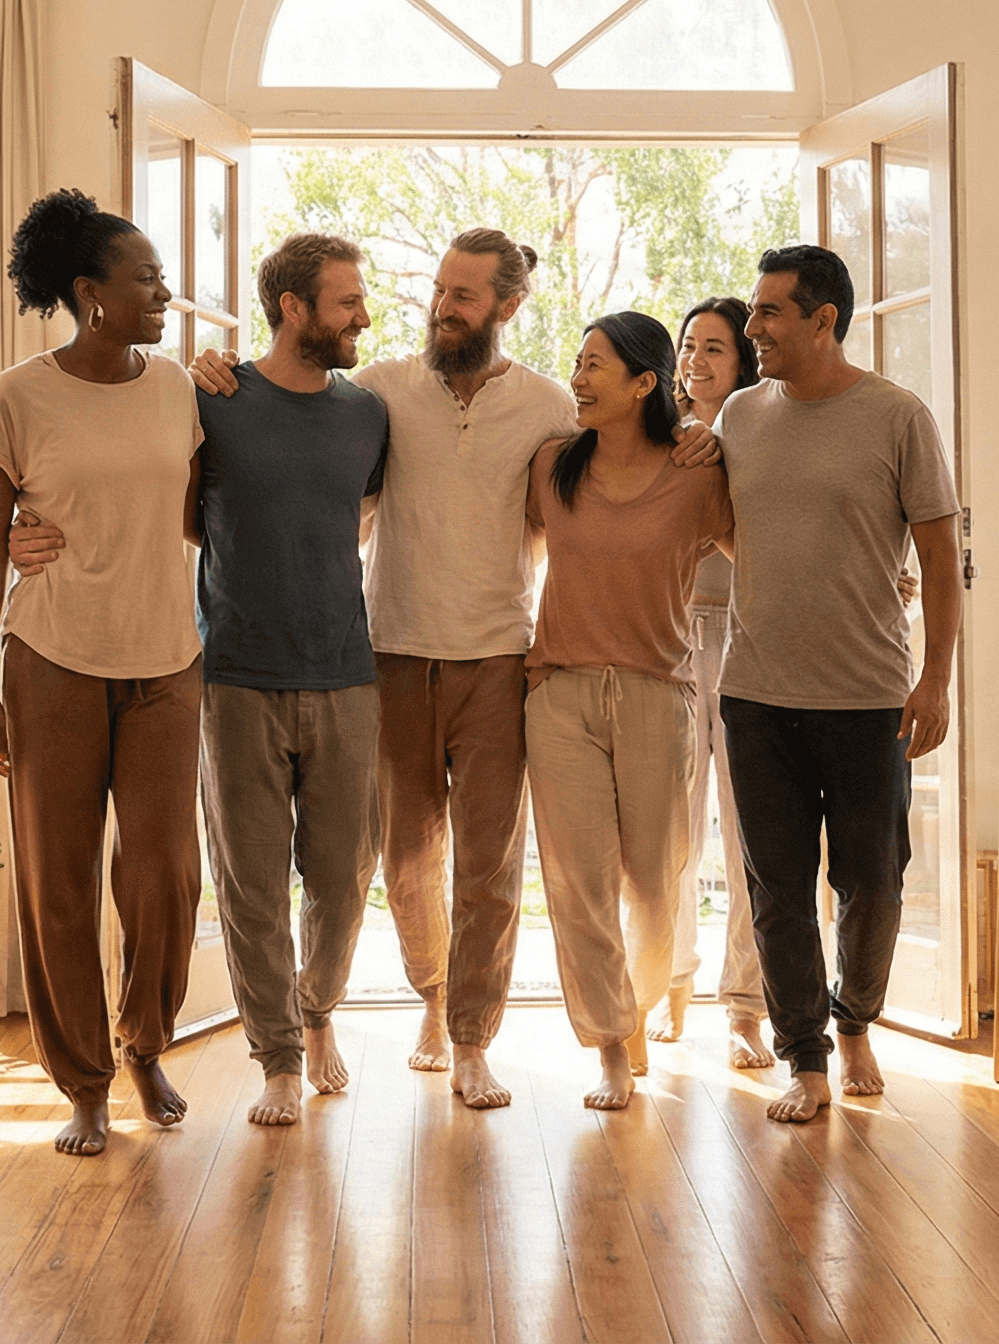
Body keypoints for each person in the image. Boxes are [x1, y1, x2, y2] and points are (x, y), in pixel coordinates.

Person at [193, 230, 577, 1111]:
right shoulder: (378, 393)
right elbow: (286, 430)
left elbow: (601, 493)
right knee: (400, 864)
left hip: (497, 656)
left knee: (488, 865)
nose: (442, 306)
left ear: (507, 307)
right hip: (389, 655)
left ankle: (472, 1039)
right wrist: (210, 368)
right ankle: (430, 999)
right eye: (440, 289)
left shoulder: (549, 405)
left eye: (465, 296)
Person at [0, 188, 202, 1158]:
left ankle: (146, 1041)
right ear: (89, 293)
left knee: (163, 875)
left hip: (167, 662)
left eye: (161, 278)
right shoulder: (16, 397)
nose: (166, 293)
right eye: (146, 279)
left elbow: (195, 514)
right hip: (51, 662)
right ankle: (85, 1083)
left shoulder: (181, 385)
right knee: (57, 882)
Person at [718, 244, 961, 1124]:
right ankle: (806, 1057)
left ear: (824, 320)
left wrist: (935, 680)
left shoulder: (898, 416)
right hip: (756, 695)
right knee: (776, 887)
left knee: (875, 880)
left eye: (770, 313)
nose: (753, 329)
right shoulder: (739, 417)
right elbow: (717, 521)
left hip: (869, 698)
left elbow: (939, 555)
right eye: (753, 312)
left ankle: (856, 1017)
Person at [191, 232, 391, 1127]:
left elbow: (361, 510)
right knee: (251, 881)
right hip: (237, 674)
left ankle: (316, 1013)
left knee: (344, 879)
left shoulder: (367, 415)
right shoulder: (214, 402)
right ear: (293, 309)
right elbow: (186, 514)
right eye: (347, 301)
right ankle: (276, 1055)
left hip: (348, 673)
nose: (363, 315)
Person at [522, 311, 734, 1110]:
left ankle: (637, 1003)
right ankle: (611, 1042)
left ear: (646, 383)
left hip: (658, 695)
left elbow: (769, 553)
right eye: (577, 362)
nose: (578, 378)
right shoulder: (551, 466)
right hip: (561, 694)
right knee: (577, 882)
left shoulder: (698, 474)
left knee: (654, 883)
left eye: (596, 366)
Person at [651, 297, 771, 1071]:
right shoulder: (659, 436)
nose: (696, 360)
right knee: (671, 828)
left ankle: (746, 1007)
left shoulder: (766, 431)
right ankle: (670, 985)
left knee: (750, 829)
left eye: (715, 349)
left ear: (743, 362)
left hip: (754, 637)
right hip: (668, 635)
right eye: (689, 346)